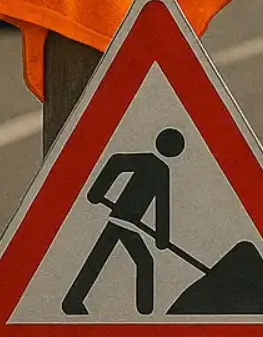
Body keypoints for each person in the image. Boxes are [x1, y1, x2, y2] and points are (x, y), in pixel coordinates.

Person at [64, 128, 186, 316]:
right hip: (122, 220)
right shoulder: (157, 167)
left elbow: (162, 206)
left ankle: (74, 300)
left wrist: (96, 192)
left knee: (103, 258)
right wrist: (96, 192)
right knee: (139, 261)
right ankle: (145, 312)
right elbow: (117, 162)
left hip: (125, 222)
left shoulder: (155, 166)